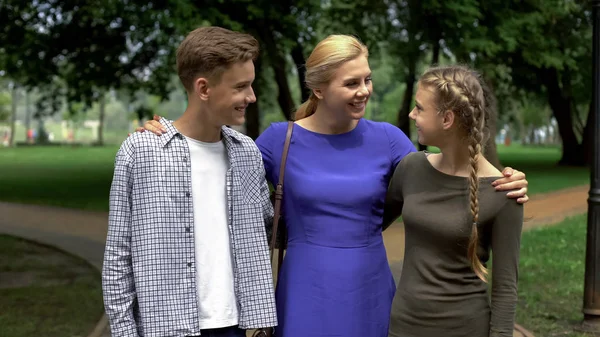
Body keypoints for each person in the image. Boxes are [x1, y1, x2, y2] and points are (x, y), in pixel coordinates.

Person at [137, 35, 529, 337]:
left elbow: (449, 172)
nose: (365, 90)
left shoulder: (391, 141)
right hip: (305, 287)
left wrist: (505, 177)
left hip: (371, 287)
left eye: (368, 79)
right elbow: (216, 169)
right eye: (352, 82)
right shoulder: (279, 140)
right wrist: (168, 132)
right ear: (320, 89)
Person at [102, 26, 277, 337]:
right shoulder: (142, 151)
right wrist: (124, 332)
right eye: (241, 86)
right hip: (166, 327)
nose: (251, 97)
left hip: (235, 326)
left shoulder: (247, 153)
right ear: (204, 88)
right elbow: (118, 255)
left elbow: (266, 228)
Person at [383, 65, 524, 337]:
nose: (412, 115)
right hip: (403, 327)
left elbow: (506, 289)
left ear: (447, 119)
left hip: (466, 328)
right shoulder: (411, 168)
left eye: (420, 108)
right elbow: (368, 224)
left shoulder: (504, 191)